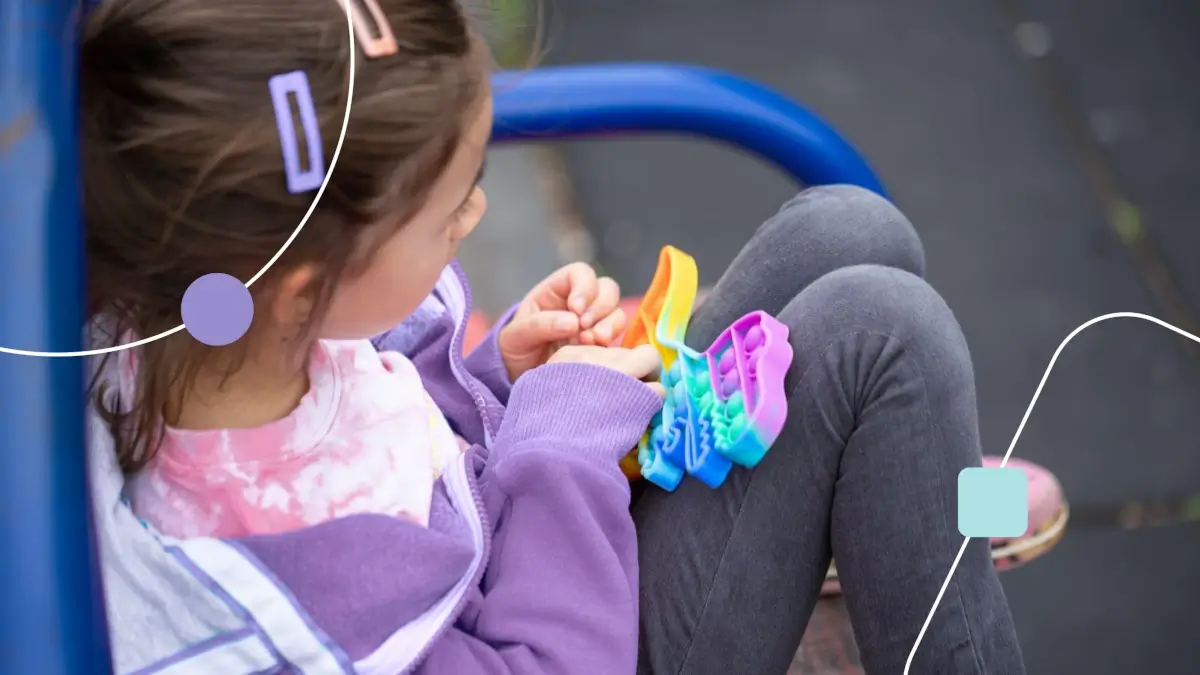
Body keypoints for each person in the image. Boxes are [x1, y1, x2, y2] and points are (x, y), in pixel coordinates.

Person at [80, 0, 1025, 673]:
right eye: (448, 211)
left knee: (851, 230)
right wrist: (560, 433)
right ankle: (901, 506)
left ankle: (890, 499)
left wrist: (498, 378)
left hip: (543, 542)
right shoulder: (307, 584)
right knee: (886, 337)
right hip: (580, 636)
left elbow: (390, 436)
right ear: (304, 286)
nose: (476, 211)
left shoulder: (214, 317)